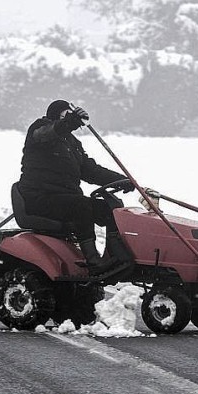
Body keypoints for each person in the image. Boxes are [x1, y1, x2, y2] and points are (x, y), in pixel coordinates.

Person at [18, 99, 134, 275]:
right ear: (55, 115)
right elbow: (49, 132)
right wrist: (70, 122)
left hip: (64, 199)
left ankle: (116, 257)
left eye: (70, 116)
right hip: (39, 197)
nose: (69, 120)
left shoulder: (72, 144)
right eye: (65, 115)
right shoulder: (39, 130)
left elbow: (91, 171)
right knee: (81, 205)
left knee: (110, 208)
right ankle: (93, 261)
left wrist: (122, 180)